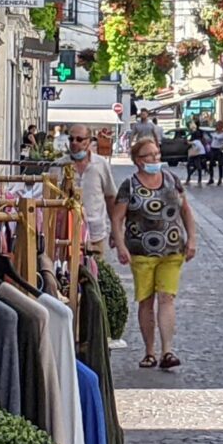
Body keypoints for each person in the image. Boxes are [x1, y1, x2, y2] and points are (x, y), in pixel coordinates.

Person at [111, 135, 198, 371]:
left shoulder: (171, 179)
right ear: (137, 160)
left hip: (172, 249)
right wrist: (120, 245)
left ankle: (167, 350)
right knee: (146, 301)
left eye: (156, 154)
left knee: (167, 297)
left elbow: (186, 211)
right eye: (148, 155)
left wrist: (192, 239)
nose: (154, 158)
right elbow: (117, 218)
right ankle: (149, 351)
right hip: (141, 251)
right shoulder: (129, 185)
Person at [65, 124, 118, 256]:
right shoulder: (59, 165)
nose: (74, 143)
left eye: (79, 139)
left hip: (95, 233)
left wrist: (116, 229)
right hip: (66, 234)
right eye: (71, 139)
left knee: (94, 272)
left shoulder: (101, 164)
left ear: (88, 141)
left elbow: (110, 197)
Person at [206, 120, 223, 185]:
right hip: (213, 149)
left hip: (219, 150)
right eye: (217, 125)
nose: (218, 126)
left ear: (222, 126)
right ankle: (211, 178)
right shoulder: (215, 132)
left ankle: (220, 178)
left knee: (220, 164)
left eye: (219, 125)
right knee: (211, 164)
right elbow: (212, 139)